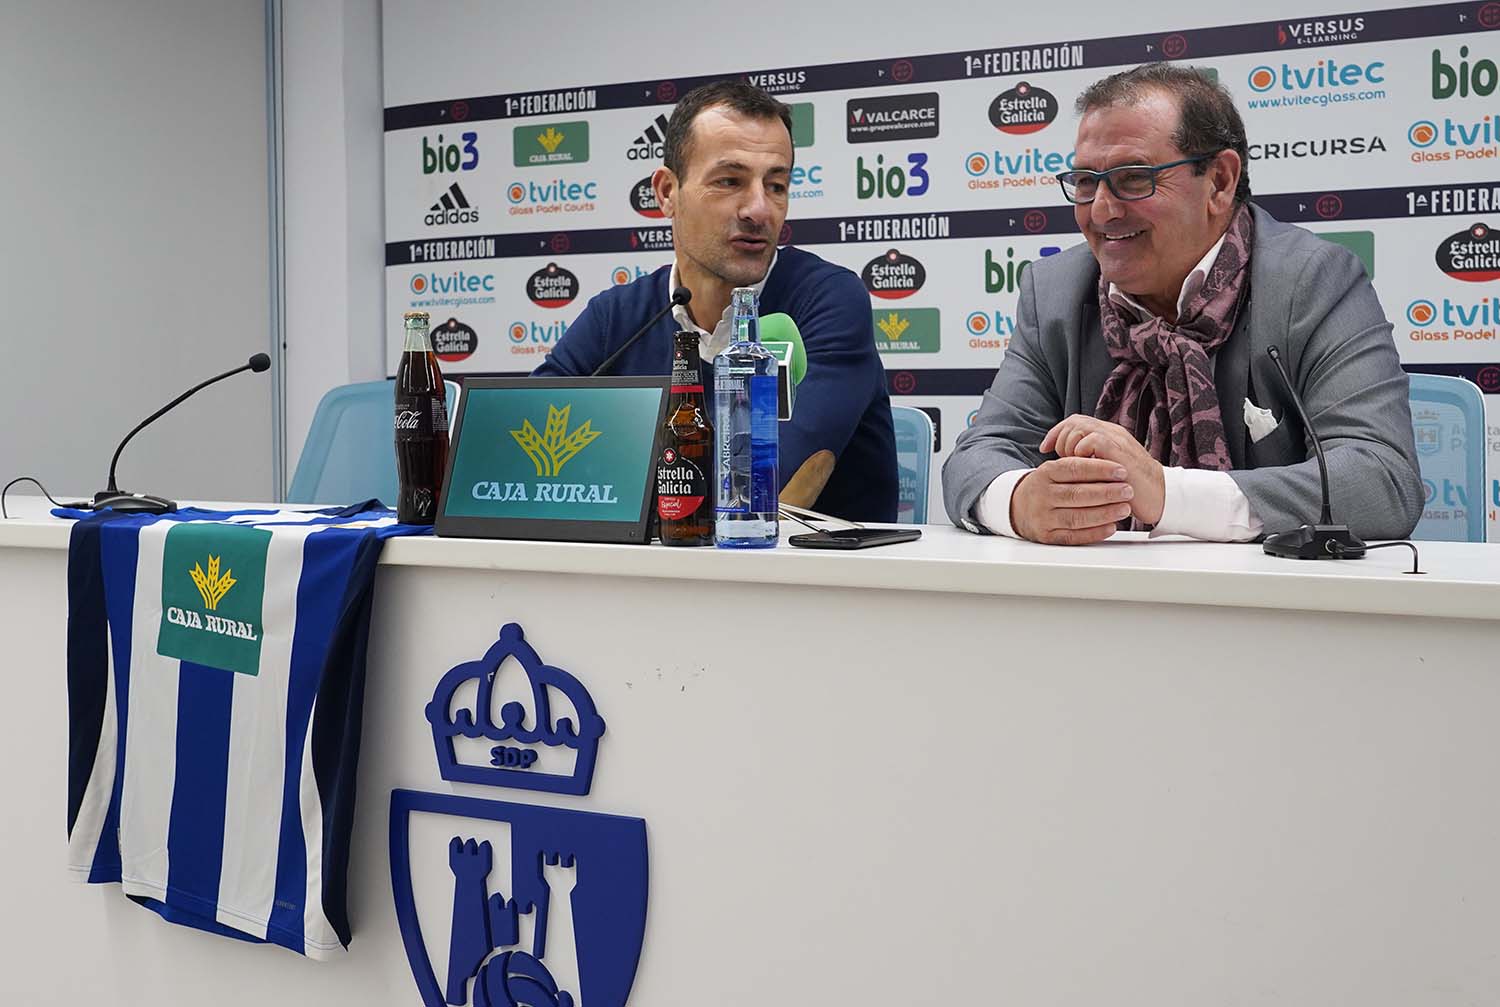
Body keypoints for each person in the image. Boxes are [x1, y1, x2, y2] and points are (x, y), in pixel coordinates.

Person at [942, 63, 1422, 545]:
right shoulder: (1055, 291)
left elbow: (1381, 480)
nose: (1102, 209)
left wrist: (1165, 492)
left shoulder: (1312, 281)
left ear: (1219, 182)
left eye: (1134, 178)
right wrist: (1019, 499)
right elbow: (977, 456)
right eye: (1086, 181)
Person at [534, 81, 897, 522]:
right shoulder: (617, 317)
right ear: (666, 192)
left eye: (776, 185)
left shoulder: (828, 300)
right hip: (642, 562)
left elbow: (775, 487)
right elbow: (529, 448)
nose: (759, 210)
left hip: (804, 565)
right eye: (729, 181)